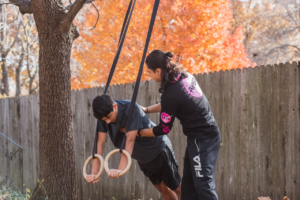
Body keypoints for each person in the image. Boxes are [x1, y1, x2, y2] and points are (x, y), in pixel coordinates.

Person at [135, 49, 221, 200]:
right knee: (188, 185)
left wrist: (140, 133)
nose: (148, 76)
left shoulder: (171, 94)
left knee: (203, 185)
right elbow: (172, 104)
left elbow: (163, 129)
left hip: (202, 140)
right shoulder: (184, 76)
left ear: (158, 71)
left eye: (149, 72)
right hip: (203, 136)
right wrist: (147, 110)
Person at [85, 94, 181, 200]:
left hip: (158, 150)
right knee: (161, 188)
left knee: (176, 187)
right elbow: (100, 143)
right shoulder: (103, 115)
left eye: (109, 117)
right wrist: (94, 173)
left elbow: (130, 140)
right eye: (104, 120)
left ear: (115, 107)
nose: (107, 121)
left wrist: (120, 170)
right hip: (142, 157)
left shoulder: (131, 109)